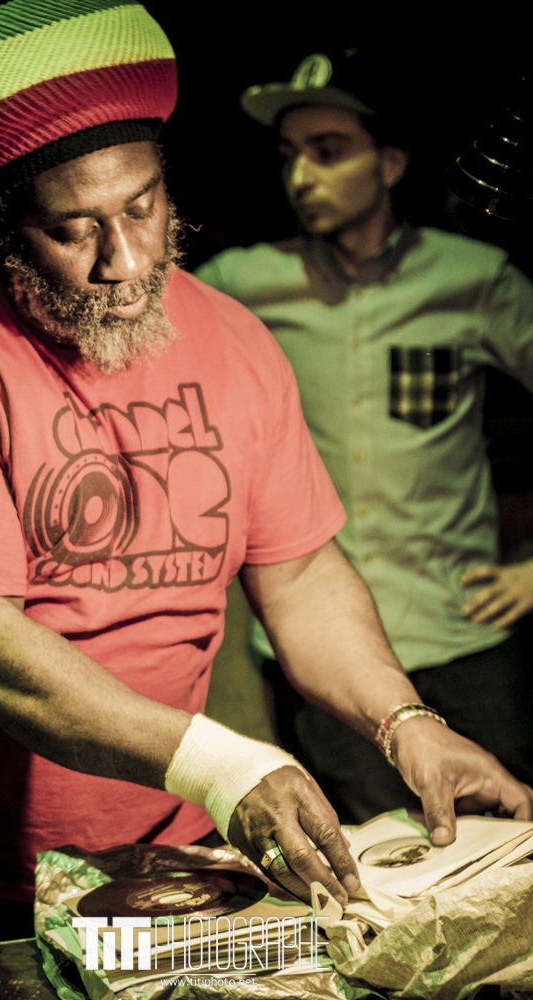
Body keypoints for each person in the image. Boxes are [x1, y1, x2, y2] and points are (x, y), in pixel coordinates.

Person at [0, 6, 532, 950]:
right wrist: (221, 764)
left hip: (186, 853)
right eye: (73, 229)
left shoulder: (232, 334)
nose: (127, 261)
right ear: (4, 224)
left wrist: (403, 721)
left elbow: (299, 578)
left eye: (142, 207)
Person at [195, 51, 533, 823]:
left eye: (328, 151)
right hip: (327, 661)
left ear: (389, 163)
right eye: (289, 155)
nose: (301, 177)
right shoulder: (243, 284)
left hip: (464, 632)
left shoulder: (472, 279)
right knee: (381, 860)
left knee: (516, 847)